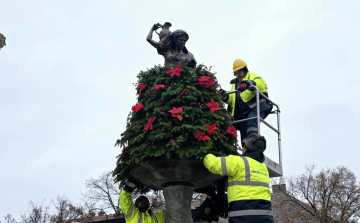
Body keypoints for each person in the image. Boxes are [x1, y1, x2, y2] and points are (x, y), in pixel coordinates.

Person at [203, 133, 274, 223]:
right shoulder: (263, 167)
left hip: (242, 217)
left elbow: (213, 165)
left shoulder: (239, 162)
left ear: (245, 148)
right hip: (266, 217)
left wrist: (205, 153)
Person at [220, 59, 272, 142]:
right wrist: (224, 95)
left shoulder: (253, 76)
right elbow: (232, 98)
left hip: (257, 107)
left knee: (251, 120)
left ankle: (254, 145)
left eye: (239, 72)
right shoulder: (235, 84)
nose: (237, 75)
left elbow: (261, 84)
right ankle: (246, 149)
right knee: (243, 132)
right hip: (242, 113)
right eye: (235, 73)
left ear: (244, 70)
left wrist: (249, 83)